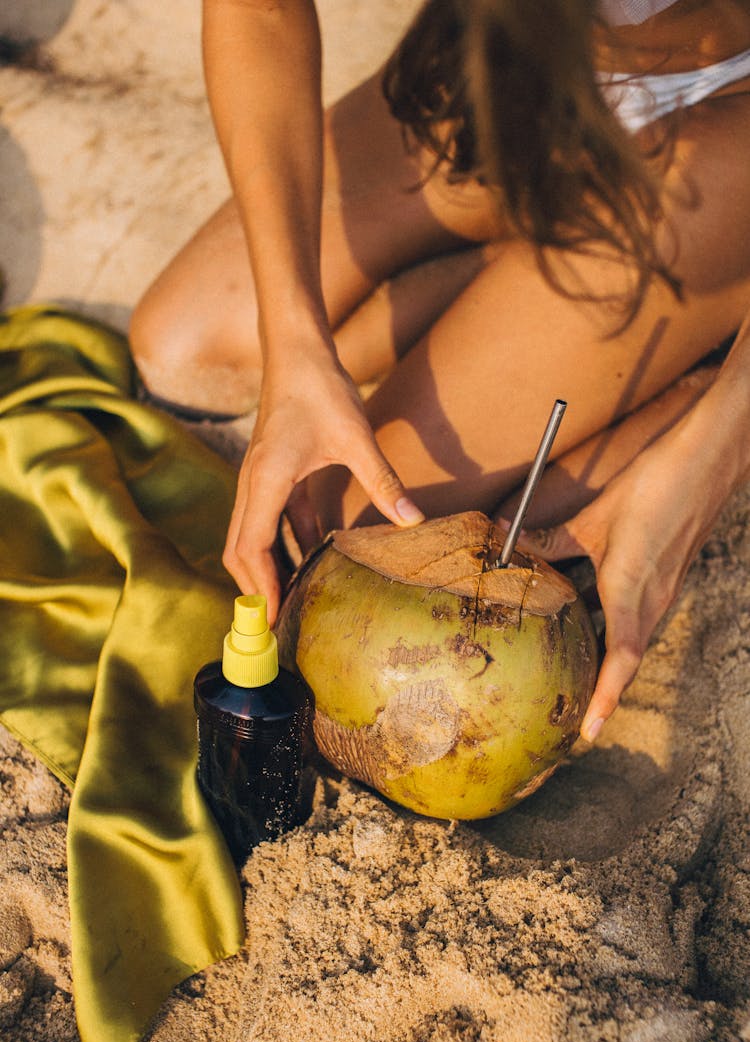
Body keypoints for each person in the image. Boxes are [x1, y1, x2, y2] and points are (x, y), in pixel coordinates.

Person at [129, 0, 750, 744]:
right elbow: (257, 11)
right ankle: (558, 259)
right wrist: (296, 349)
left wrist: (714, 451)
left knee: (354, 523)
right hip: (524, 60)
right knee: (183, 346)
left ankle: (697, 353)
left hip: (726, 130)